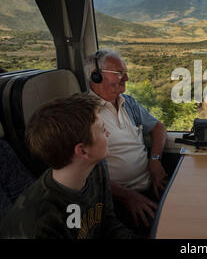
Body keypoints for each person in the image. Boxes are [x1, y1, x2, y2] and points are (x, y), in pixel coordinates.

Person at [0, 94, 135, 239]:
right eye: (102, 130)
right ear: (82, 151)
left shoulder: (94, 169)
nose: (108, 133)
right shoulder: (39, 223)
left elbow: (107, 223)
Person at [84, 49, 168, 237]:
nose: (127, 78)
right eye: (120, 73)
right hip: (118, 199)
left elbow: (158, 128)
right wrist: (127, 197)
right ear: (96, 76)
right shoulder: (83, 112)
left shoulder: (127, 102)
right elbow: (85, 172)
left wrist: (155, 161)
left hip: (149, 184)